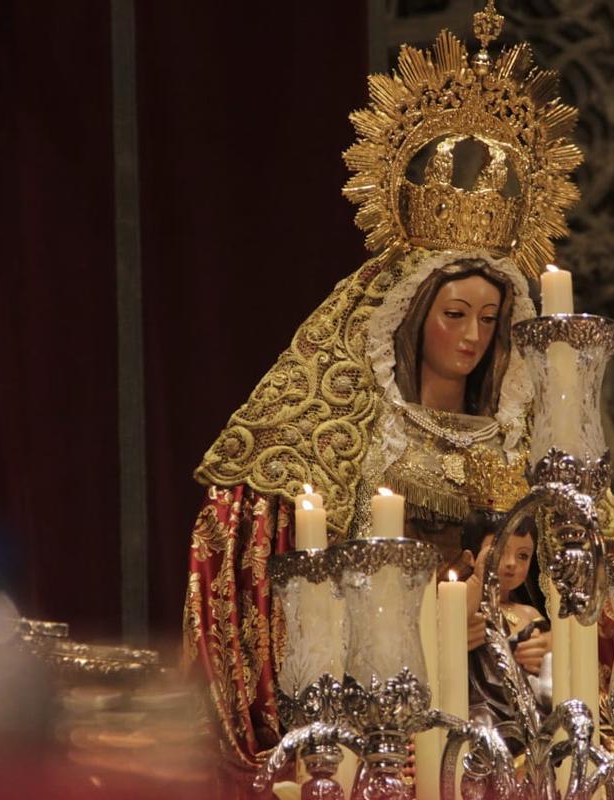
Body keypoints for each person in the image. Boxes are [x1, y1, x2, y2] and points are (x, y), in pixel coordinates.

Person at [181, 8, 589, 782]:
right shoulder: (357, 428)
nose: (471, 337)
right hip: (380, 712)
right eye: (455, 315)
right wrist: (425, 629)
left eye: (490, 319)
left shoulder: (519, 434)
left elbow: (579, 576)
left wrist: (542, 638)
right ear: (413, 318)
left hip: (498, 715)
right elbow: (288, 564)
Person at [461, 512, 552, 732]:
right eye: (500, 551)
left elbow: (555, 650)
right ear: (471, 557)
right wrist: (477, 580)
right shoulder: (465, 602)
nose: (511, 563)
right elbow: (451, 619)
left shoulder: (529, 613)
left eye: (522, 556)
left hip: (529, 706)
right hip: (482, 708)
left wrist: (546, 648)